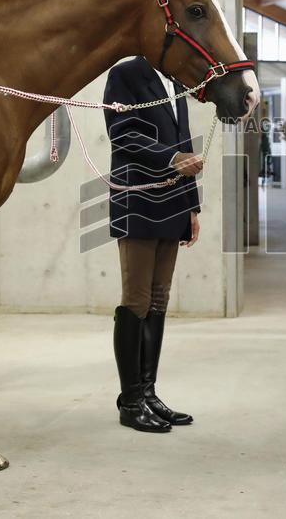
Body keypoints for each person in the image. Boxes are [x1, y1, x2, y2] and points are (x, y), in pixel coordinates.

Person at [104, 56, 203, 434]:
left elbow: (184, 140)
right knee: (137, 300)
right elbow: (123, 133)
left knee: (159, 298)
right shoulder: (126, 74)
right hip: (139, 199)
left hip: (173, 201)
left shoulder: (176, 78)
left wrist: (192, 205)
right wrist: (173, 159)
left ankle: (148, 394)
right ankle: (130, 401)